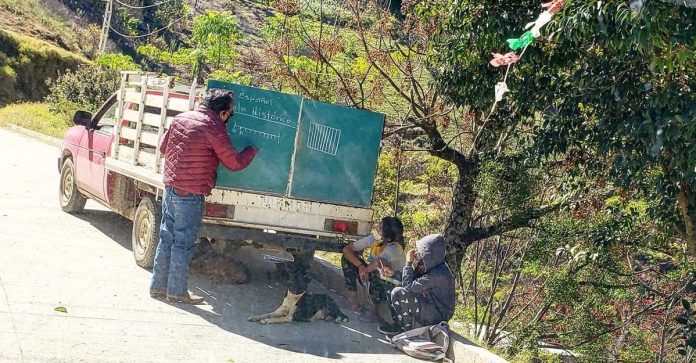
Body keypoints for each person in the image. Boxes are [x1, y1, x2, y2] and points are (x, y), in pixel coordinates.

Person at [150, 88, 259, 304]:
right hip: (191, 194)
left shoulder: (180, 118)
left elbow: (163, 148)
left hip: (171, 188)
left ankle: (157, 287)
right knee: (183, 243)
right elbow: (234, 163)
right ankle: (177, 292)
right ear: (224, 113)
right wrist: (251, 150)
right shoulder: (214, 128)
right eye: (231, 114)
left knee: (166, 239)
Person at [380, 234, 455, 335]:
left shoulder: (438, 274)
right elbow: (414, 281)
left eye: (421, 251)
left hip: (438, 313)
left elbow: (408, 286)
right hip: (430, 304)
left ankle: (407, 332)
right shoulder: (432, 265)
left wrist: (408, 263)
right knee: (391, 286)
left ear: (429, 253)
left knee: (399, 292)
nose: (418, 253)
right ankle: (398, 324)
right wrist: (394, 274)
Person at [341, 216, 406, 323]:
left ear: (388, 238)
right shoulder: (375, 239)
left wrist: (365, 270)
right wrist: (361, 267)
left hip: (391, 286)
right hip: (372, 275)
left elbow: (378, 263)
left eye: (380, 228)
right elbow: (347, 250)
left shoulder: (394, 248)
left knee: (377, 272)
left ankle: (373, 310)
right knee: (347, 259)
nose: (377, 228)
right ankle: (353, 301)